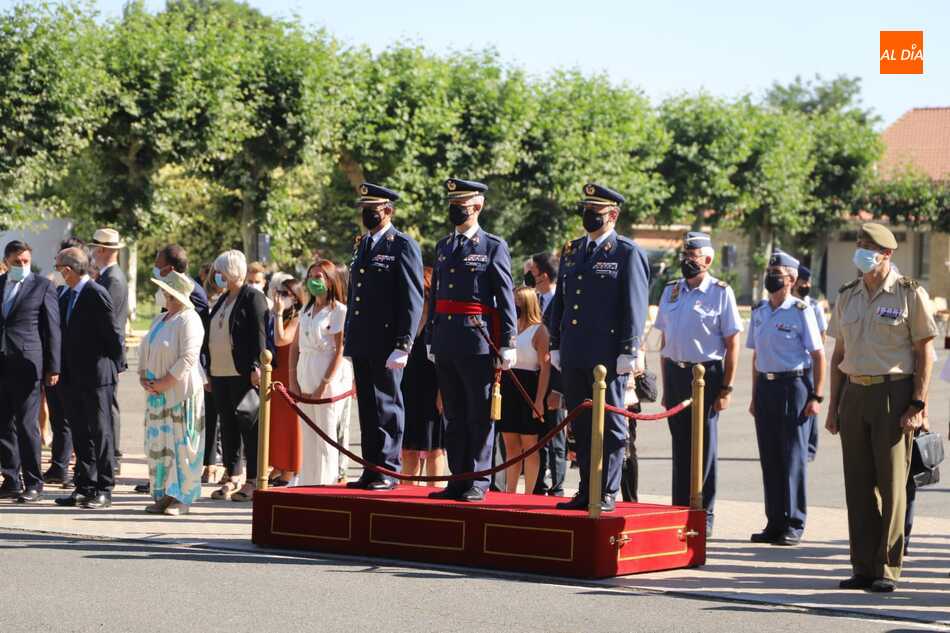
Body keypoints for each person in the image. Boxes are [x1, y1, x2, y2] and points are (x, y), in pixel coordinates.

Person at [826, 223, 937, 593]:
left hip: (894, 394)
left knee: (892, 486)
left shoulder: (909, 293)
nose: (861, 251)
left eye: (868, 246)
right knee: (857, 487)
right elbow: (839, 354)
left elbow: (925, 352)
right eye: (859, 244)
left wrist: (918, 403)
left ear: (886, 254)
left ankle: (887, 568)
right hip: (855, 394)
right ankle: (862, 566)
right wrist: (833, 408)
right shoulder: (848, 294)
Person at [548, 184, 649, 513]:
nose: (589, 216)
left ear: (613, 215)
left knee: (610, 425)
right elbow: (562, 301)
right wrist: (556, 343)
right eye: (586, 210)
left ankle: (606, 490)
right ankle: (586, 488)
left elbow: (635, 304)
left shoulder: (626, 252)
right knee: (581, 425)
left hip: (608, 355)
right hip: (576, 351)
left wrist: (629, 349)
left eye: (597, 211)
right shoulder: (573, 250)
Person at [426, 178, 517, 502]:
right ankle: (458, 477)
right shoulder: (443, 246)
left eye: (461, 204)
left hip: (477, 339)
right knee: (453, 414)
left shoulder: (492, 246)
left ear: (477, 206)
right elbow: (437, 293)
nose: (455, 209)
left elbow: (505, 297)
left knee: (478, 414)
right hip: (448, 340)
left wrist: (509, 341)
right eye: (452, 203)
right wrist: (432, 336)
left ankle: (478, 480)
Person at [653, 232, 741, 531]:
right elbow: (665, 340)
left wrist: (727, 387)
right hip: (677, 374)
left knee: (703, 447)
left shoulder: (720, 292)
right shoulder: (672, 291)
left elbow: (733, 342)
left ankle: (704, 515)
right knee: (680, 446)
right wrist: (666, 386)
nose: (687, 260)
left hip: (706, 375)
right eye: (685, 255)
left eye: (693, 256)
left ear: (708, 259)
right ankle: (680, 509)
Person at [343, 183, 425, 490]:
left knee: (387, 405)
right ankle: (371, 467)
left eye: (373, 210)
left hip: (388, 341)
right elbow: (357, 296)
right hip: (364, 340)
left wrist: (404, 343)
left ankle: (388, 469)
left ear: (388, 210)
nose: (367, 215)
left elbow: (412, 298)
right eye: (365, 209)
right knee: (367, 406)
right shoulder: (363, 244)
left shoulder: (402, 245)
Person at [747, 250, 825, 546]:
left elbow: (818, 355)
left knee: (792, 458)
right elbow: (757, 356)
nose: (771, 276)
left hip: (794, 387)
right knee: (770, 457)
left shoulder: (802, 310)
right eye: (770, 270)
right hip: (766, 387)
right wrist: (754, 396)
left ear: (791, 279)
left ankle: (794, 521)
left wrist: (817, 395)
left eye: (777, 272)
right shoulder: (759, 310)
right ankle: (774, 521)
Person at [53, 247, 123, 509]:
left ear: (68, 270)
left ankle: (104, 487)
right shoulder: (65, 295)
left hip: (96, 375)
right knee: (80, 433)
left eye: (59, 267)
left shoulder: (95, 293)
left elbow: (113, 335)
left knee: (100, 432)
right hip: (72, 377)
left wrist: (114, 368)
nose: (58, 272)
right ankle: (84, 486)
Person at [202, 250, 267, 502]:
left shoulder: (253, 297)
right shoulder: (222, 299)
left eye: (220, 271)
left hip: (243, 374)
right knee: (227, 427)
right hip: (220, 373)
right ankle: (232, 475)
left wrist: (257, 366)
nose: (216, 276)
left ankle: (252, 480)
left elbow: (259, 335)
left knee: (249, 426)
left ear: (231, 271)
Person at [138, 271, 205, 515]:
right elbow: (146, 349)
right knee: (160, 446)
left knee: (183, 446)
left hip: (181, 394)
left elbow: (188, 357)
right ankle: (166, 494)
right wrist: (144, 376)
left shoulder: (190, 319)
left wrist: (166, 381)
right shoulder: (162, 319)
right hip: (157, 395)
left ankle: (183, 498)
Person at [0, 241, 61, 502]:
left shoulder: (42, 286)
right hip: (2, 364)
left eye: (25, 261)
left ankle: (33, 482)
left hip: (28, 366)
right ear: (6, 261)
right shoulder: (0, 284)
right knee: (3, 425)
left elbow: (52, 329)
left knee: (27, 426)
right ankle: (11, 478)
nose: (22, 266)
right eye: (17, 262)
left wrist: (53, 366)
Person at [290, 260, 353, 485]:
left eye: (320, 276)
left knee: (325, 436)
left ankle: (325, 483)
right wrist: (293, 380)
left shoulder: (338, 311)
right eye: (311, 276)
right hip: (305, 374)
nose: (314, 281)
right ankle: (308, 482)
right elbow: (294, 347)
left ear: (330, 280)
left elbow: (339, 351)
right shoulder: (306, 311)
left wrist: (324, 384)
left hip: (326, 379)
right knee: (308, 436)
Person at [498, 286, 550, 494]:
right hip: (509, 384)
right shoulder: (509, 328)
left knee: (529, 444)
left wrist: (539, 400)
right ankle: (510, 490)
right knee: (511, 445)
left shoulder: (539, 331)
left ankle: (528, 492)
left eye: (516, 302)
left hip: (529, 385)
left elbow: (545, 368)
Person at [43, 237, 84, 486]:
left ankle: (70, 469)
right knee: (59, 418)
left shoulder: (86, 291)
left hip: (73, 367)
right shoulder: (58, 289)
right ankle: (59, 465)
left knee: (72, 420)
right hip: (57, 363)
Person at [526, 252, 567, 496]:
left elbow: (559, 347)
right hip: (533, 378)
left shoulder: (560, 300)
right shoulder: (532, 301)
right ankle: (539, 482)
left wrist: (558, 389)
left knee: (556, 436)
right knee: (537, 436)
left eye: (533, 272)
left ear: (544, 275)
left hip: (554, 380)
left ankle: (557, 484)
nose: (529, 277)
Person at [89, 228, 129, 475]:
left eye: (94, 248)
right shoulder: (107, 276)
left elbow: (107, 321)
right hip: (106, 353)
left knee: (108, 404)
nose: (92, 253)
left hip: (106, 354)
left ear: (102, 250)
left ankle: (112, 455)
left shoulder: (112, 279)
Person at [400, 267, 445, 482]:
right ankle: (407, 498)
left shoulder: (438, 322)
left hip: (432, 390)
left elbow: (444, 363)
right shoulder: (406, 319)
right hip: (407, 389)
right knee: (408, 449)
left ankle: (433, 494)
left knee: (433, 449)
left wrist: (442, 393)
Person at [267, 276, 305, 486]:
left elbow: (281, 339)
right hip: (275, 373)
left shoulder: (297, 318)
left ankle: (290, 469)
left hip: (289, 375)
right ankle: (278, 465)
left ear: (296, 298)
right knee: (276, 425)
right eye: (278, 293)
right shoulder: (279, 316)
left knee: (290, 425)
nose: (279, 298)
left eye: (285, 294)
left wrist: (278, 312)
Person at [793, 265, 828, 462]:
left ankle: (810, 447)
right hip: (794, 363)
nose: (807, 285)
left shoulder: (814, 306)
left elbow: (822, 334)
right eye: (803, 282)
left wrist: (814, 353)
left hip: (811, 361)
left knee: (811, 402)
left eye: (808, 282)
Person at [201, 264, 225, 483]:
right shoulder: (204, 298)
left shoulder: (231, 298)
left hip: (226, 366)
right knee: (209, 417)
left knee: (225, 419)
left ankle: (225, 467)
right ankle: (209, 464)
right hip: (209, 364)